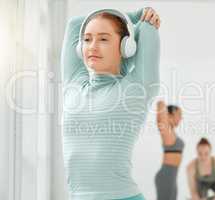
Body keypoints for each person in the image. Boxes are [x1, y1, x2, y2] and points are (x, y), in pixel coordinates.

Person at [61, 7, 161, 200]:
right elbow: (74, 25)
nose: (92, 46)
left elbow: (148, 27)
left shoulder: (137, 88)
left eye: (104, 39)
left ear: (126, 46)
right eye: (88, 39)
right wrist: (129, 15)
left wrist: (140, 18)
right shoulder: (74, 83)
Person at [155, 101, 184, 200]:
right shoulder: (166, 131)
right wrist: (162, 104)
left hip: (172, 176)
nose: (181, 118)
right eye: (179, 114)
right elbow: (160, 106)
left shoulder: (171, 132)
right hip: (166, 175)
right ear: (170, 114)